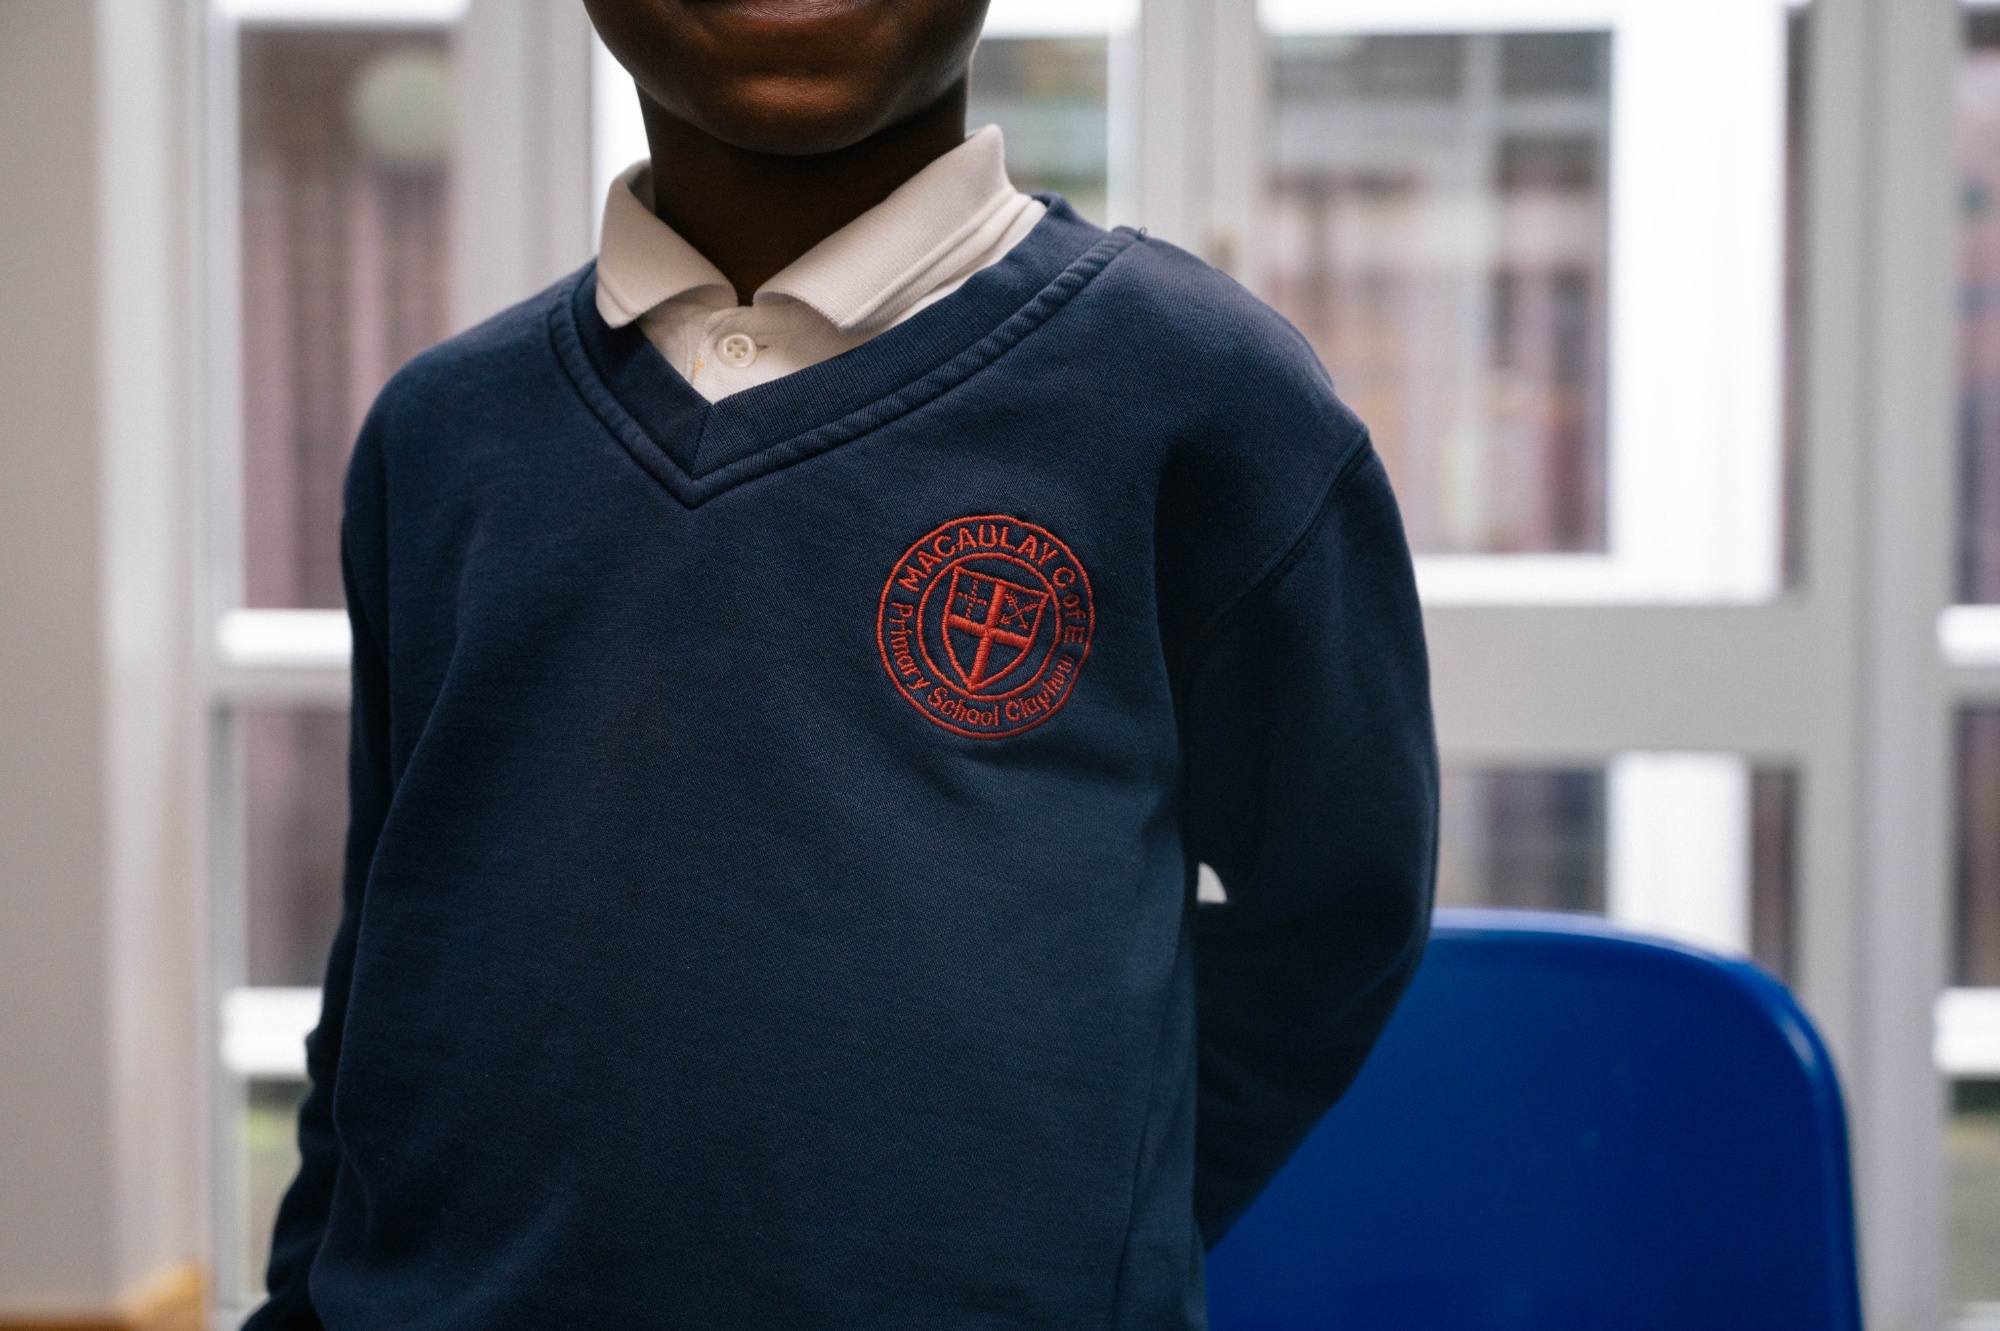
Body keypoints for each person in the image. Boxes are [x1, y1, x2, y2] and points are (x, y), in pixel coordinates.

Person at [246, 0, 1437, 1325]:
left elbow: (1340, 916)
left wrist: (1068, 1233)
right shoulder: (440, 433)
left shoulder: (1212, 400)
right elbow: (393, 956)